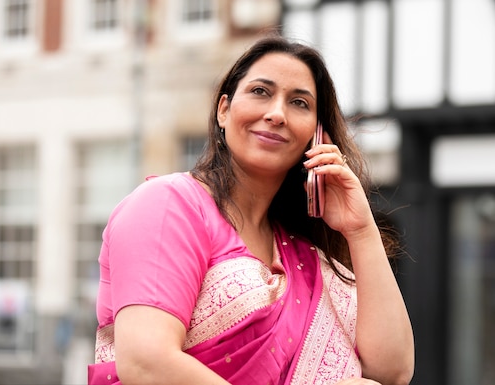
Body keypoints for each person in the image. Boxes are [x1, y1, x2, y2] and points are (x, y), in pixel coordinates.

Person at [88, 35, 414, 385]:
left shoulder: (303, 253)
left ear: (316, 137)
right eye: (261, 91)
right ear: (224, 110)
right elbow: (146, 362)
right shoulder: (168, 204)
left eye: (299, 103)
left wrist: (361, 230)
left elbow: (390, 371)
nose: (276, 114)